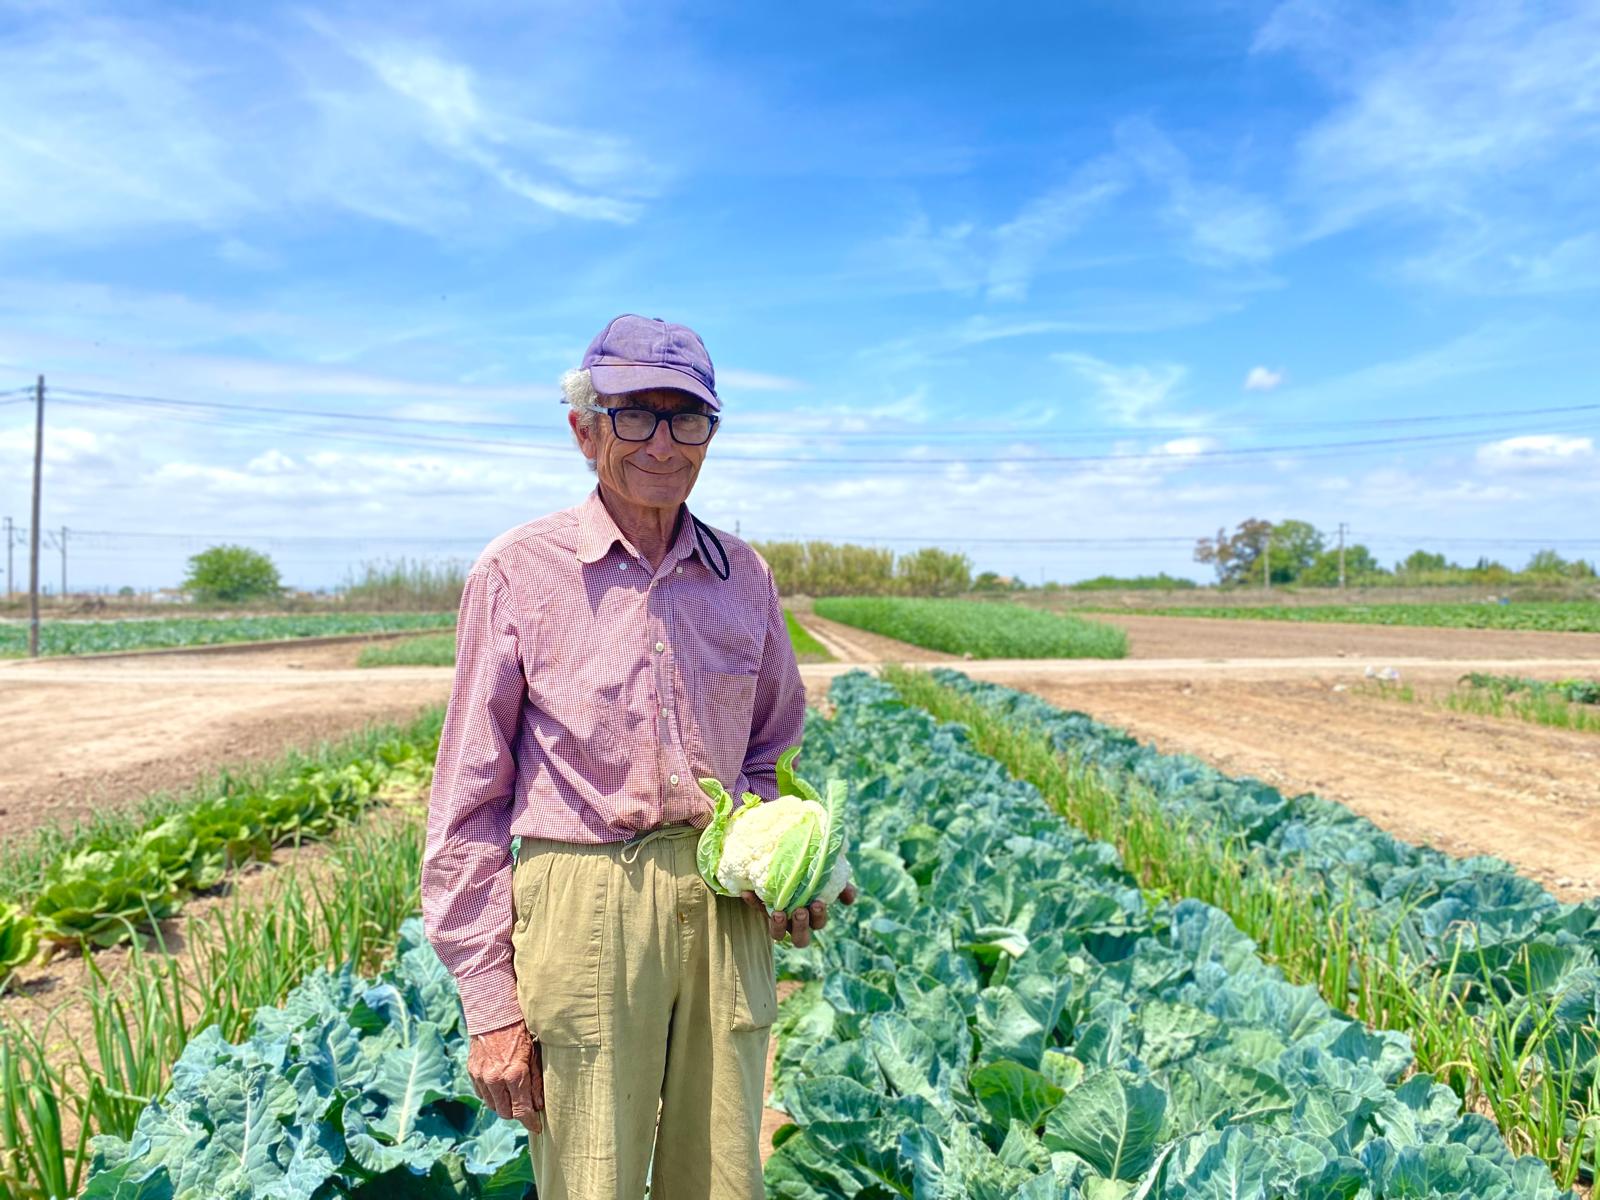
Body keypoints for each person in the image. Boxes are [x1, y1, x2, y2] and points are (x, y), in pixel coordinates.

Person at [421, 314, 856, 1200]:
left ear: (711, 435)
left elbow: (769, 751)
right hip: (584, 902)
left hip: (721, 904)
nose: (663, 440)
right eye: (634, 415)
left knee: (723, 1176)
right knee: (592, 1181)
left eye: (685, 417)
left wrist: (782, 872)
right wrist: (491, 1002)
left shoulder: (746, 577)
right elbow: (468, 802)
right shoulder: (517, 570)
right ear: (585, 430)